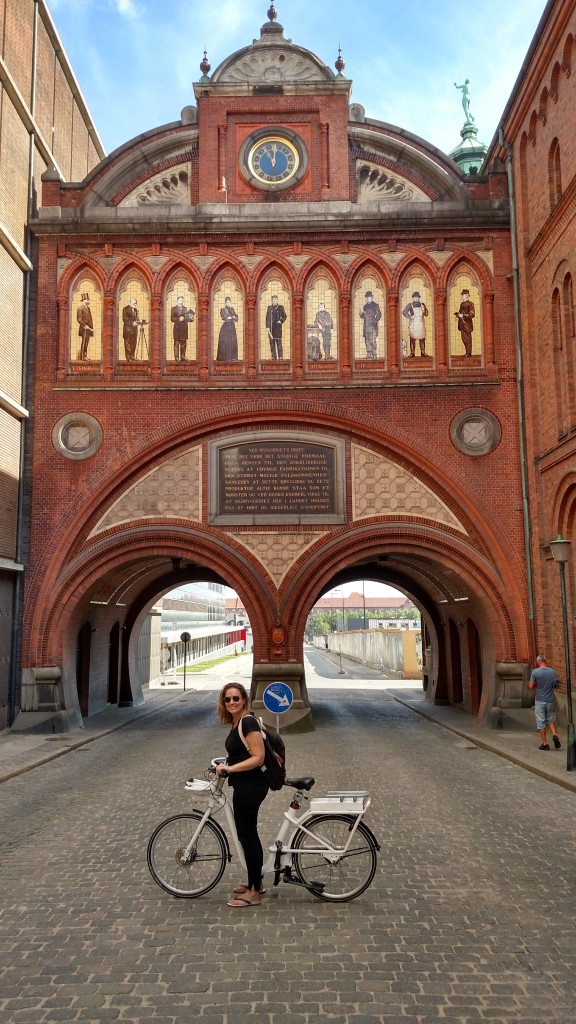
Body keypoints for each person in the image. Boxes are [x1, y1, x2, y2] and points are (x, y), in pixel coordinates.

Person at [215, 683, 268, 907]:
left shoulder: (247, 722)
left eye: (236, 698)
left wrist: (231, 769)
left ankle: (254, 893)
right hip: (244, 783)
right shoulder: (236, 722)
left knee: (247, 835)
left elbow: (259, 757)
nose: (232, 702)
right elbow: (239, 752)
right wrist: (226, 762)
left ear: (244, 700)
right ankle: (255, 882)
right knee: (247, 834)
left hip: (252, 785)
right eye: (228, 699)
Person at [528, 654, 561, 750]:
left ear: (538, 662)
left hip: (540, 700)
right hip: (550, 700)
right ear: (545, 662)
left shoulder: (535, 672)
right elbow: (556, 685)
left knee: (541, 723)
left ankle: (545, 744)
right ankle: (555, 734)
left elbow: (530, 686)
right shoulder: (552, 672)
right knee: (550, 720)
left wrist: (535, 684)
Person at [402, 291, 429, 357]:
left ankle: (423, 352)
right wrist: (409, 316)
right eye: (415, 297)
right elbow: (404, 312)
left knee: (422, 338)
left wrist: (424, 310)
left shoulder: (422, 305)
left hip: (420, 324)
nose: (416, 298)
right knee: (412, 338)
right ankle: (412, 353)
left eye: (417, 297)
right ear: (413, 298)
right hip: (413, 324)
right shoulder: (410, 305)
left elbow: (427, 314)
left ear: (419, 298)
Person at [171, 295, 195, 361]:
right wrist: (178, 318)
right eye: (179, 300)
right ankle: (176, 357)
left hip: (184, 328)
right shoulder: (173, 308)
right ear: (177, 301)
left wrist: (191, 318)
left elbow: (187, 318)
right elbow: (172, 318)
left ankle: (183, 356)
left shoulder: (185, 308)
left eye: (182, 300)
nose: (181, 302)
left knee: (184, 343)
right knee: (176, 343)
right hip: (177, 328)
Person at [359, 291, 382, 359]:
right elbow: (362, 316)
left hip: (372, 325)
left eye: (368, 297)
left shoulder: (375, 305)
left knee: (373, 340)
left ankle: (374, 354)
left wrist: (374, 321)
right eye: (366, 297)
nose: (366, 299)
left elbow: (379, 314)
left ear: (371, 297)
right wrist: (362, 313)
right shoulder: (365, 306)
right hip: (366, 324)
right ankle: (369, 354)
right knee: (367, 340)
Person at [216, 296, 239, 360]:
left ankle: (232, 357)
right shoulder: (223, 309)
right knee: (226, 341)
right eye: (227, 302)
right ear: (225, 303)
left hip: (232, 327)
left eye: (229, 302)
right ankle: (225, 358)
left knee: (232, 341)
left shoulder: (232, 309)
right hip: (226, 327)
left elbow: (236, 318)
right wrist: (232, 317)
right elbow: (225, 318)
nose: (228, 303)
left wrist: (232, 317)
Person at [265, 295, 287, 359]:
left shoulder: (280, 307)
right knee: (272, 343)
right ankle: (273, 356)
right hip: (271, 328)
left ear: (277, 300)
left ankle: (280, 356)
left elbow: (284, 316)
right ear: (271, 300)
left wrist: (281, 321)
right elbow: (267, 318)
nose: (274, 301)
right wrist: (267, 327)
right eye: (273, 299)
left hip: (277, 327)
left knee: (278, 342)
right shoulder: (269, 308)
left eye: (275, 299)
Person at [454, 288, 475, 357]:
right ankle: (467, 352)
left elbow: (472, 314)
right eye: (462, 295)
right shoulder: (461, 304)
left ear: (467, 295)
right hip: (462, 324)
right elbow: (460, 312)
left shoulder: (470, 304)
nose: (462, 296)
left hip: (467, 325)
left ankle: (469, 353)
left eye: (464, 295)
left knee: (467, 339)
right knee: (464, 339)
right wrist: (457, 316)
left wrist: (463, 315)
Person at [76, 293, 94, 361]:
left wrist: (90, 327)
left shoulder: (88, 308)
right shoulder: (80, 308)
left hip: (88, 328)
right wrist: (84, 325)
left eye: (88, 300)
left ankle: (85, 356)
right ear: (83, 300)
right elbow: (79, 319)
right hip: (84, 328)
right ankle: (83, 357)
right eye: (87, 300)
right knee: (84, 342)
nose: (88, 301)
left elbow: (90, 319)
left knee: (86, 342)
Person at [122, 297, 140, 361]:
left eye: (136, 303)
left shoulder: (135, 310)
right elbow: (125, 319)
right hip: (128, 329)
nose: (135, 305)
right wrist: (133, 323)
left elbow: (136, 318)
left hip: (134, 329)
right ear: (130, 302)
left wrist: (139, 321)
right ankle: (128, 357)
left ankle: (132, 356)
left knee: (134, 343)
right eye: (134, 303)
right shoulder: (125, 309)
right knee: (127, 343)